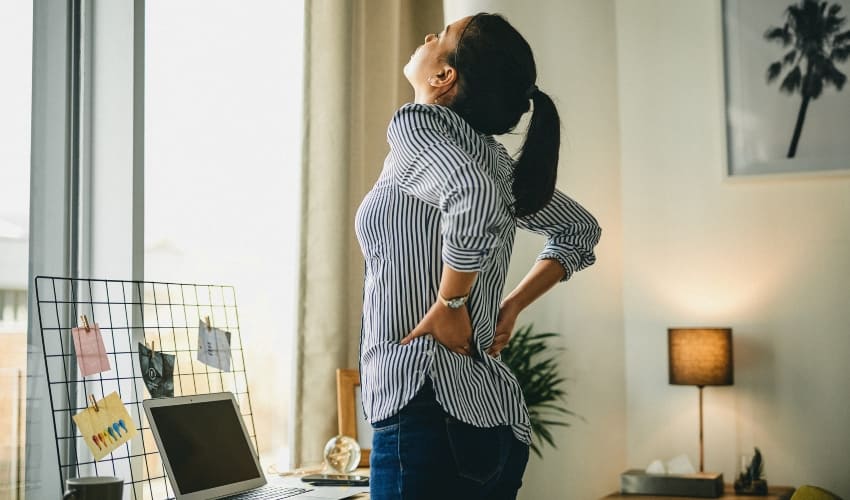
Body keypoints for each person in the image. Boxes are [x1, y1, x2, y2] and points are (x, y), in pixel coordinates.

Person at [354, 12, 601, 500]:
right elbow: (579, 231)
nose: (428, 35)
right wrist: (508, 308)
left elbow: (474, 196)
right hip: (490, 425)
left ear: (444, 77)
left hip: (427, 410)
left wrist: (451, 304)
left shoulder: (418, 125)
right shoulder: (489, 157)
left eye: (441, 36)